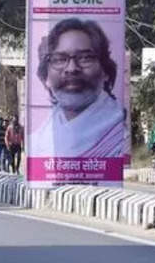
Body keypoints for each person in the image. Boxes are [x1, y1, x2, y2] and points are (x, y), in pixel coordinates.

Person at [30, 18, 126, 158]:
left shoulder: (120, 134)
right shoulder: (39, 140)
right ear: (46, 78)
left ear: (105, 70)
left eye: (85, 58)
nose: (72, 68)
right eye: (59, 59)